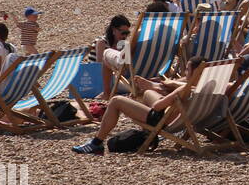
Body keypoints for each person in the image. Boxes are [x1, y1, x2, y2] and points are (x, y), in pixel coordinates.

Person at [70, 55, 210, 153]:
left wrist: (168, 94)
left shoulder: (183, 88)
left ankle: (96, 143)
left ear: (193, 72)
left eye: (187, 69)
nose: (185, 72)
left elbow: (157, 107)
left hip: (161, 120)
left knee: (116, 101)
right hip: (181, 119)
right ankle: (146, 131)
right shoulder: (209, 86)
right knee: (148, 92)